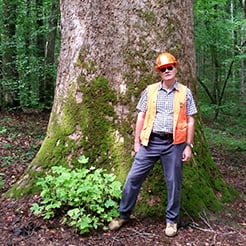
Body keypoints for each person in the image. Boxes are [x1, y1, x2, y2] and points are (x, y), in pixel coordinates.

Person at [109, 52, 197, 237]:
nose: (166, 71)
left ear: (175, 67)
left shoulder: (185, 92)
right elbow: (141, 116)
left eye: (169, 67)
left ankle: (171, 221)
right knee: (133, 178)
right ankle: (124, 215)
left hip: (174, 144)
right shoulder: (149, 91)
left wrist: (188, 145)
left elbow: (190, 119)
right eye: (163, 69)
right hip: (150, 142)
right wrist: (136, 142)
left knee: (174, 183)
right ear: (159, 71)